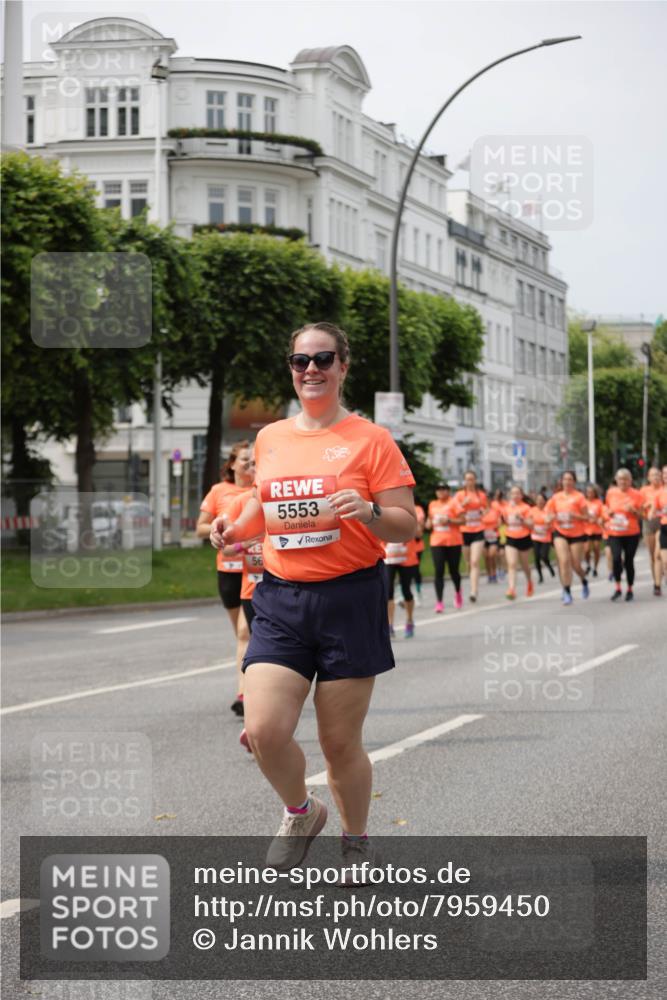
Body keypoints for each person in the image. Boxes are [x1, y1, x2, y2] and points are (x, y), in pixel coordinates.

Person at [210, 321, 416, 872]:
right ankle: (301, 811)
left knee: (338, 742)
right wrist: (233, 527)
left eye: (323, 360)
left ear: (343, 367)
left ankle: (355, 841)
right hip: (281, 598)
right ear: (292, 370)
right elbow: (263, 505)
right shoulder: (272, 437)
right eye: (301, 362)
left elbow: (405, 525)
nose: (311, 371)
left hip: (350, 599)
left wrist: (370, 512)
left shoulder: (370, 440)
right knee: (263, 730)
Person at [197, 441, 254, 717]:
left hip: (255, 572)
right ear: (232, 464)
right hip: (228, 570)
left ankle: (245, 695)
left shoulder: (261, 491)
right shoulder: (220, 491)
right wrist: (222, 526)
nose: (249, 465)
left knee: (246, 632)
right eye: (244, 460)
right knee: (242, 635)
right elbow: (200, 528)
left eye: (253, 461)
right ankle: (256, 682)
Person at [544, 470, 590, 606]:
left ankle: (584, 580)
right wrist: (550, 518)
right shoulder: (555, 497)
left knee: (576, 565)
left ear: (574, 482)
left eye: (570, 479)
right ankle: (567, 591)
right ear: (562, 481)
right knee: (564, 561)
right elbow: (547, 516)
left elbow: (587, 517)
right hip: (560, 532)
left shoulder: (579, 497)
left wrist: (575, 516)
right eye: (565, 479)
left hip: (577, 534)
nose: (567, 482)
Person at [604, 468, 644, 601]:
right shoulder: (611, 493)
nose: (623, 482)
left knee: (628, 561)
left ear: (630, 481)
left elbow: (642, 515)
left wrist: (633, 510)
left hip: (631, 533)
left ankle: (630, 589)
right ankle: (617, 587)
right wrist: (608, 513)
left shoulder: (636, 494)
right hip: (615, 532)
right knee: (616, 559)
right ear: (616, 480)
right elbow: (606, 509)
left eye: (626, 479)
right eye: (620, 479)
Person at [425, 483, 464, 612]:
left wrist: (449, 521)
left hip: (453, 541)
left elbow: (463, 520)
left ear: (448, 491)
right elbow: (429, 522)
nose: (440, 492)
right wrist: (429, 523)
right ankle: (439, 602)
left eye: (443, 489)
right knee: (439, 571)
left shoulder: (454, 503)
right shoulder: (432, 504)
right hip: (436, 542)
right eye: (438, 489)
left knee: (454, 571)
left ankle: (458, 592)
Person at [454, 471, 489, 602]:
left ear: (475, 480)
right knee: (468, 562)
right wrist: (463, 504)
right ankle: (471, 583)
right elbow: (454, 510)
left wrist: (482, 512)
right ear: (464, 481)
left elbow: (486, 509)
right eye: (467, 479)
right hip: (464, 530)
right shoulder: (459, 495)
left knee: (475, 561)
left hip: (478, 530)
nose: (470, 482)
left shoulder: (481, 495)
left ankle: (474, 591)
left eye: (472, 479)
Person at [501, 485, 535, 599]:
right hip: (510, 537)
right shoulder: (506, 508)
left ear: (521, 495)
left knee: (525, 565)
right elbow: (503, 522)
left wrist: (522, 519)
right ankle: (511, 589)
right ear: (510, 495)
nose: (515, 495)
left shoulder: (526, 508)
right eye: (513, 493)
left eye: (517, 493)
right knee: (512, 564)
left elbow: (531, 525)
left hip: (524, 537)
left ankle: (529, 581)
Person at [384, 539, 417, 638]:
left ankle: (409, 620)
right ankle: (390, 625)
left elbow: (417, 532)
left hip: (406, 557)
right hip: (389, 557)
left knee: (406, 590)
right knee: (388, 591)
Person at [641, 467, 663, 596]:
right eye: (653, 475)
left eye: (657, 475)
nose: (655, 477)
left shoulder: (663, 489)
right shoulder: (644, 490)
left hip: (661, 522)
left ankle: (658, 584)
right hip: (648, 523)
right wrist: (647, 505)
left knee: (657, 554)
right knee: (651, 555)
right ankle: (655, 580)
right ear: (648, 478)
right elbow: (639, 506)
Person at [648, 464, 667, 594]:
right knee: (664, 559)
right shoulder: (659, 493)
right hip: (664, 527)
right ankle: (659, 582)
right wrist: (652, 514)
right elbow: (652, 512)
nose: (666, 476)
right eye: (664, 473)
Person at [530, 493, 555, 583]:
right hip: (535, 536)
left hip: (546, 537)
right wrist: (533, 527)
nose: (540, 501)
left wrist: (548, 526)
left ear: (545, 501)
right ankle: (540, 576)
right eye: (538, 499)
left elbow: (553, 526)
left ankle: (549, 566)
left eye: (542, 499)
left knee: (544, 556)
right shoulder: (532, 510)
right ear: (535, 501)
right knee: (536, 557)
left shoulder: (548, 511)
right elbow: (528, 522)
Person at [583, 484, 604, 577]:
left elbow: (602, 515)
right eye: (588, 492)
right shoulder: (583, 502)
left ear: (595, 493)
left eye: (591, 492)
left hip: (596, 530)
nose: (590, 494)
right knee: (586, 549)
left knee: (596, 549)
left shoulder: (598, 502)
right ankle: (588, 564)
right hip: (586, 529)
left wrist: (597, 519)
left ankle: (595, 567)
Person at [481, 501, 501, 583]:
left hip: (493, 536)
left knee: (492, 555)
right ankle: (489, 575)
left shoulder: (495, 511)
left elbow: (499, 522)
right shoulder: (480, 511)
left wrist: (495, 526)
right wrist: (482, 514)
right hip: (483, 536)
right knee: (486, 557)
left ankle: (494, 573)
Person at [412, 502, 426, 606]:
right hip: (401, 549)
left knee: (415, 570)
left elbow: (420, 528)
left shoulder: (418, 509)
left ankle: (418, 592)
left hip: (416, 546)